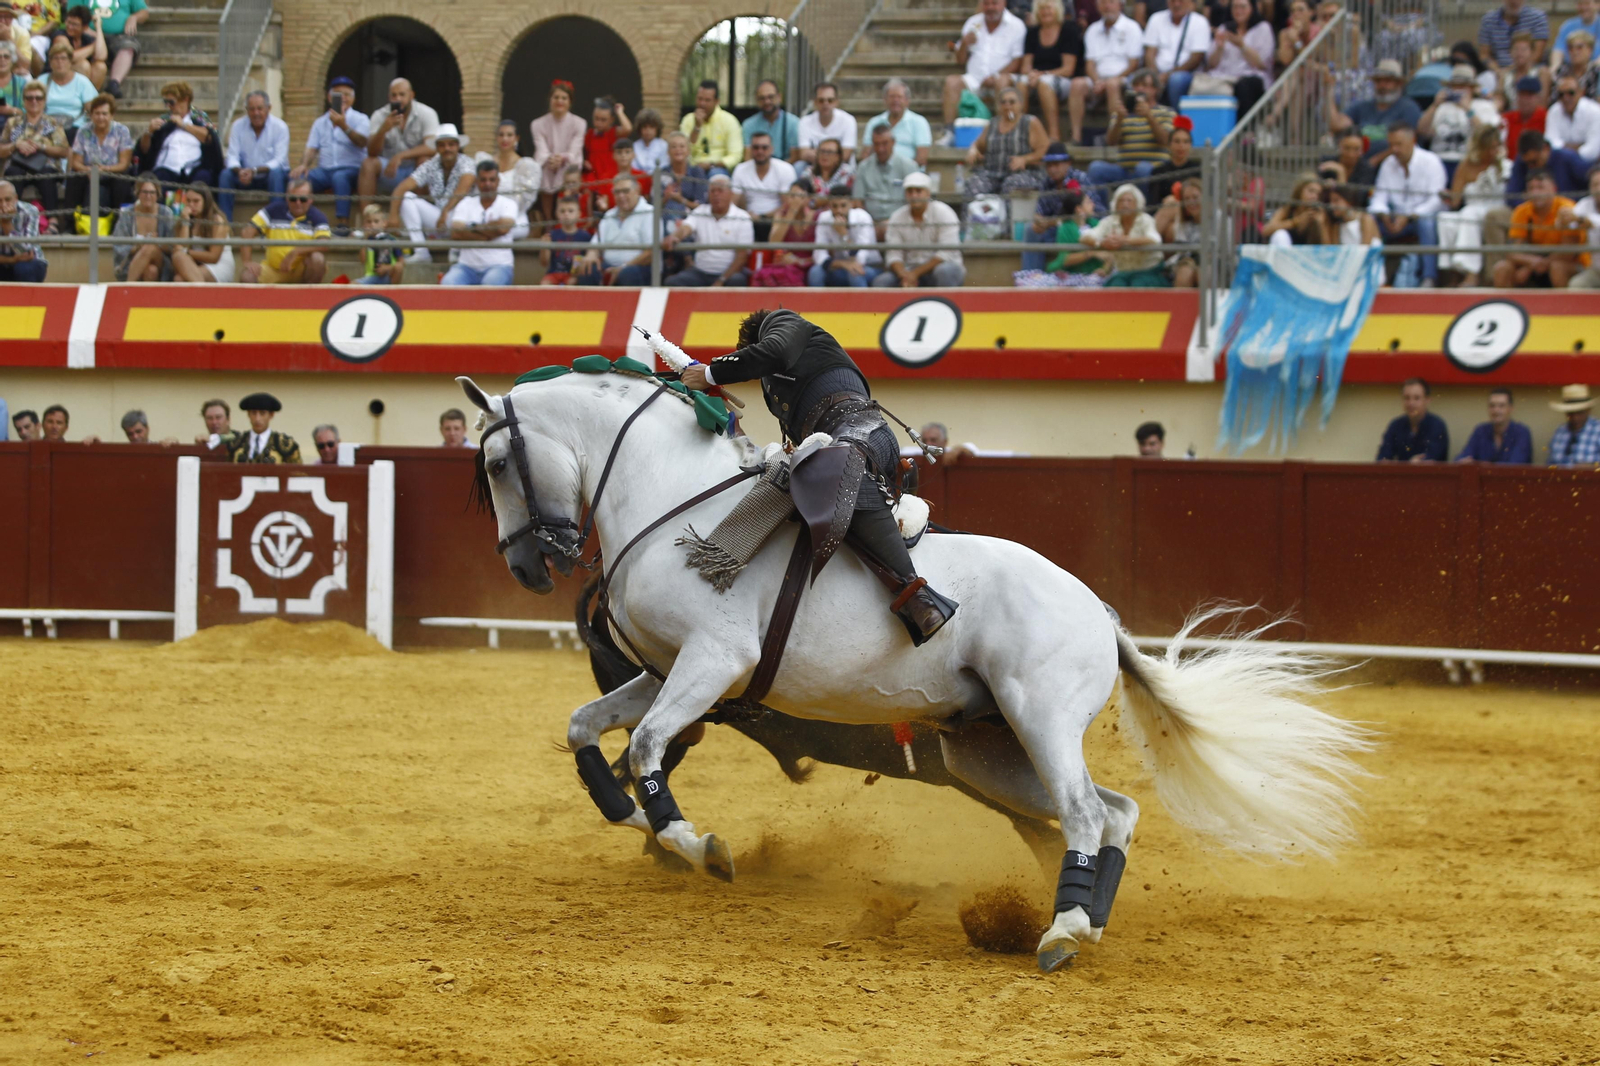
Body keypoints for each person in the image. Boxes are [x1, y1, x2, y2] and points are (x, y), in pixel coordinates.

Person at [680, 309, 958, 644]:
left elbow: (773, 352)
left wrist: (710, 373)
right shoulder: (783, 377)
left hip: (862, 431)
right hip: (837, 439)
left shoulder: (785, 323)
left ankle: (918, 596)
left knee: (836, 467)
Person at [1369, 122, 1448, 287]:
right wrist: (1384, 215)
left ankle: (1429, 278)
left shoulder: (1431, 162)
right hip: (1394, 219)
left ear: (1412, 141)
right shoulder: (1388, 164)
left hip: (1421, 217)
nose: (1395, 150)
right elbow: (1379, 198)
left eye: (1399, 144)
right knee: (1369, 221)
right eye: (1391, 145)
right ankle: (1373, 275)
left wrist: (1411, 215)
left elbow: (1437, 200)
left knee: (1426, 222)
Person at [388, 123, 473, 265]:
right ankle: (421, 252)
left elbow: (462, 190)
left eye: (451, 144)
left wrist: (445, 211)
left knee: (466, 202)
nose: (447, 149)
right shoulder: (431, 165)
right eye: (442, 145)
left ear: (458, 146)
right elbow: (402, 188)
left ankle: (456, 251)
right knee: (407, 197)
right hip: (440, 219)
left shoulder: (467, 163)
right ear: (437, 148)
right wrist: (393, 215)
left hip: (458, 220)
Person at [941, 0, 1026, 137]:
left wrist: (996, 76)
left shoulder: (1016, 25)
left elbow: (1017, 61)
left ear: (1004, 3)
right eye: (986, 3)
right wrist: (964, 44)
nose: (990, 7)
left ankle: (1003, 132)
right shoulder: (972, 23)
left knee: (1002, 81)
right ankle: (950, 132)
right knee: (951, 82)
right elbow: (960, 60)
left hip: (1002, 77)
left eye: (994, 3)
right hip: (975, 78)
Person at [292, 76, 367, 229]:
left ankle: (342, 223)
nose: (343, 98)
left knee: (340, 177)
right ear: (329, 97)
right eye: (338, 94)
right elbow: (312, 147)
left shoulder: (360, 119)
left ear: (353, 98)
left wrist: (344, 126)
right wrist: (304, 165)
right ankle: (298, 220)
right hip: (325, 170)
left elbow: (363, 142)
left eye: (347, 95)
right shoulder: (320, 122)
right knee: (300, 179)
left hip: (351, 169)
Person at [1491, 168, 1588, 287]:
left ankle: (1564, 305)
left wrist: (1532, 267)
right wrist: (1531, 263)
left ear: (1553, 189)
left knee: (1557, 267)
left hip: (1562, 262)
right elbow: (1512, 251)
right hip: (1533, 259)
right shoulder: (1521, 211)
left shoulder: (1567, 209)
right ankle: (1504, 304)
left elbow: (1568, 252)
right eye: (1531, 188)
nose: (1535, 193)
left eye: (1540, 187)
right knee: (1502, 268)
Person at [1437, 124, 1507, 284]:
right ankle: (1450, 273)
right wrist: (1447, 196)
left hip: (1495, 210)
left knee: (1470, 213)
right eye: (1488, 148)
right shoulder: (1465, 166)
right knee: (1445, 219)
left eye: (1496, 147)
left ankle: (1471, 272)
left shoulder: (1504, 165)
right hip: (1472, 207)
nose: (1492, 152)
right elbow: (1455, 200)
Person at [358, 78, 438, 214]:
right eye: (394, 95)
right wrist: (383, 130)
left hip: (414, 170)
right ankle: (367, 217)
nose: (398, 99)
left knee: (425, 160)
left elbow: (432, 147)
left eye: (402, 94)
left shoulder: (427, 113)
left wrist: (400, 156)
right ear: (389, 97)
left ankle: (421, 215)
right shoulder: (380, 115)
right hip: (390, 172)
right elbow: (372, 152)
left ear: (411, 95)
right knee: (368, 164)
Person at [1069, 0, 1144, 146]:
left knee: (1112, 85)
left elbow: (1134, 64)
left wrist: (1111, 80)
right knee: (1077, 84)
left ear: (1120, 4)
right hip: (1098, 78)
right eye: (1103, 2)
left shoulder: (1132, 27)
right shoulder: (1092, 29)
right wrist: (1097, 81)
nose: (1107, 6)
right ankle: (1076, 137)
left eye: (1111, 2)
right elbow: (1090, 64)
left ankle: (1113, 137)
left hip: (1124, 78)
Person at [874, 172, 965, 287]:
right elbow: (893, 255)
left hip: (938, 269)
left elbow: (946, 254)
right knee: (882, 281)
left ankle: (947, 304)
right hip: (909, 271)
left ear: (928, 193)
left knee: (945, 271)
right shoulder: (897, 217)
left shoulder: (944, 213)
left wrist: (914, 274)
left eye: (918, 191)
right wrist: (904, 275)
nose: (914, 195)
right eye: (910, 191)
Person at [1087, 67, 1174, 189]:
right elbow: (1110, 142)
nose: (1139, 89)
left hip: (1152, 170)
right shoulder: (1122, 113)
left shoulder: (1167, 112)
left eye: (1144, 85)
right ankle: (1100, 208)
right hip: (1124, 170)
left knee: (1142, 168)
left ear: (1155, 89)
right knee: (1096, 168)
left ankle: (1146, 207)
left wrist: (1149, 116)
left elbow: (1166, 140)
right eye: (1136, 85)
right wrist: (1119, 120)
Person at [662, 173, 753, 286]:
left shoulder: (742, 218)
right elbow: (686, 228)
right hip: (700, 272)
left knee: (737, 280)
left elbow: (742, 256)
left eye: (720, 191)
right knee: (672, 282)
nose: (716, 195)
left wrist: (721, 281)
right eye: (712, 191)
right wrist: (675, 236)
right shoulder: (700, 211)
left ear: (730, 194)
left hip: (728, 274)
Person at [1324, 60, 1422, 160]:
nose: (1382, 86)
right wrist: (1329, 90)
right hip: (1360, 165)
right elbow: (1336, 125)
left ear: (1398, 84)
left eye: (1387, 81)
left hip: (1393, 165)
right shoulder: (1363, 106)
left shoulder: (1409, 108)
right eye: (1378, 81)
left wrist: (1374, 162)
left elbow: (1407, 143)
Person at [441, 159, 517, 288]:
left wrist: (471, 229)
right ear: (477, 182)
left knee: (489, 287)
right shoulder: (466, 203)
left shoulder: (508, 204)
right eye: (483, 180)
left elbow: (502, 229)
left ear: (498, 181)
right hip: (466, 267)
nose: (487, 184)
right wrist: (488, 234)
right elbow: (455, 233)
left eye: (492, 180)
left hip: (499, 266)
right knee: (447, 283)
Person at [238, 177, 328, 285]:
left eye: (303, 199)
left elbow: (325, 243)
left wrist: (296, 251)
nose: (298, 203)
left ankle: (308, 299)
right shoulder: (273, 210)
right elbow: (247, 232)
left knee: (318, 259)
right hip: (273, 270)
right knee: (247, 276)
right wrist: (247, 261)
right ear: (286, 197)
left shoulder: (318, 216)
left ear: (311, 199)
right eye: (293, 199)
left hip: (301, 271)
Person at [961, 84, 1046, 198]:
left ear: (1020, 104)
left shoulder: (1030, 122)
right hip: (992, 173)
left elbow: (1044, 149)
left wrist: (1025, 159)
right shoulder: (992, 124)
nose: (1007, 106)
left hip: (1022, 173)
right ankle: (975, 216)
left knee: (1012, 185)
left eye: (1012, 102)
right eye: (1003, 102)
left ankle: (1010, 216)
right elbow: (977, 144)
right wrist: (973, 150)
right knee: (974, 185)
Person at [1018, 0, 1084, 143]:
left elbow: (1068, 69)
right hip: (1036, 77)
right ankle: (1020, 132)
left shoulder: (1068, 30)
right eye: (1041, 9)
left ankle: (1054, 135)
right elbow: (1025, 66)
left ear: (1057, 10)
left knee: (1044, 84)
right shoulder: (1032, 32)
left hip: (1063, 79)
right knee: (1021, 84)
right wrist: (1031, 75)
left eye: (1048, 8)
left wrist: (1042, 75)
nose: (1045, 12)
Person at [218, 90, 288, 221]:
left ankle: (276, 223)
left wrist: (254, 171)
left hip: (269, 176)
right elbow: (232, 156)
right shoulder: (237, 126)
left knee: (277, 174)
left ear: (269, 108)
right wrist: (240, 171)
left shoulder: (280, 127)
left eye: (260, 109)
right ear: (246, 110)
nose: (256, 113)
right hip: (245, 176)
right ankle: (224, 226)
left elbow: (279, 160)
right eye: (252, 109)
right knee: (225, 175)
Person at [1, 79, 67, 214]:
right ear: (24, 101)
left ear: (44, 101)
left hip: (45, 166)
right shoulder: (12, 122)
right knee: (14, 172)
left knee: (46, 174)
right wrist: (16, 145)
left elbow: (64, 151)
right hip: (18, 165)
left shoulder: (53, 122)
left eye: (38, 98)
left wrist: (41, 147)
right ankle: (10, 215)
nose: (34, 101)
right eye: (29, 98)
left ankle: (53, 218)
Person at [1081, 181, 1165, 285]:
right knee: (1115, 286)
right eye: (1121, 201)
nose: (1125, 204)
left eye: (1129, 201)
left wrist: (1124, 240)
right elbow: (1085, 236)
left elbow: (1155, 239)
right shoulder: (1110, 221)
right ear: (1115, 204)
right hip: (1122, 272)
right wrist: (1101, 243)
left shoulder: (1145, 220)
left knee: (1138, 285)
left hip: (1148, 271)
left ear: (1137, 204)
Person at [577, 174, 653, 286]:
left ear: (637, 190)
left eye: (626, 191)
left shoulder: (649, 213)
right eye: (617, 192)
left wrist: (623, 268)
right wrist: (590, 256)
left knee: (627, 274)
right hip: (609, 266)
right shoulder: (610, 214)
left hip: (639, 268)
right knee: (587, 269)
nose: (621, 196)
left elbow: (651, 253)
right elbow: (595, 245)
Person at [1419, 65, 1501, 168]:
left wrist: (1468, 110)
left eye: (1463, 86)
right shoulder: (1441, 107)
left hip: (1469, 161)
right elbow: (1422, 131)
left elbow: (1487, 136)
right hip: (1439, 160)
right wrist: (1434, 105)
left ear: (1472, 88)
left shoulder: (1483, 106)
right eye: (1455, 86)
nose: (1458, 89)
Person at [140, 80, 219, 189]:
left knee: (203, 176)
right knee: (158, 177)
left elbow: (209, 137)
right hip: (167, 169)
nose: (168, 106)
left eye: (171, 102)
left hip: (194, 168)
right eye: (165, 102)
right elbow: (144, 150)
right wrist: (148, 132)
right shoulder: (164, 120)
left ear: (185, 100)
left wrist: (183, 125)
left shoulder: (199, 117)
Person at [1202, 0, 1272, 117]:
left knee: (1243, 86)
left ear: (1252, 8)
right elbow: (1211, 64)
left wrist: (1242, 45)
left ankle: (1246, 131)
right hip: (1224, 77)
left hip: (1252, 78)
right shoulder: (1224, 28)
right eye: (1235, 7)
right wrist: (1219, 47)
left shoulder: (1263, 28)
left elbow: (1262, 64)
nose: (1238, 11)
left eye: (1243, 7)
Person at [531, 79, 587, 221]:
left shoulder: (579, 123)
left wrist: (561, 158)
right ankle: (549, 220)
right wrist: (552, 159)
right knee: (544, 170)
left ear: (570, 102)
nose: (559, 101)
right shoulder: (537, 124)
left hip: (570, 162)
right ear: (550, 100)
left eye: (564, 98)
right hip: (548, 162)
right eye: (556, 97)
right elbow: (541, 149)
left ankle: (566, 219)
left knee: (568, 170)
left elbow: (574, 150)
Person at [62, 90, 126, 211]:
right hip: (88, 172)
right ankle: (70, 220)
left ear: (111, 115)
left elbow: (124, 163)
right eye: (97, 113)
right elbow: (76, 162)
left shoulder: (122, 131)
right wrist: (90, 171)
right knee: (74, 178)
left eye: (104, 113)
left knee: (123, 179)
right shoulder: (83, 131)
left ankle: (119, 218)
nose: (100, 117)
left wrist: (105, 169)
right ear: (91, 115)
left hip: (113, 172)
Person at [810, 183, 881, 287]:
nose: (839, 211)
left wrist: (844, 235)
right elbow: (819, 255)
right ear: (829, 205)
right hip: (840, 266)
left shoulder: (863, 218)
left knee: (854, 272)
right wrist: (843, 264)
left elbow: (859, 260)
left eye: (843, 206)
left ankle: (861, 303)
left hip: (870, 267)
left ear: (851, 204)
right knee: (815, 272)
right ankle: (817, 303)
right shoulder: (824, 218)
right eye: (834, 206)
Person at [1144, 0, 1211, 106]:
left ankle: (1176, 118)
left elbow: (1196, 58)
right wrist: (1155, 75)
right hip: (1157, 72)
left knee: (1176, 80)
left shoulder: (1200, 22)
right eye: (1173, 1)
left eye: (1181, 1)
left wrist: (1168, 75)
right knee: (1136, 80)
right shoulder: (1156, 18)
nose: (1176, 4)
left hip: (1187, 73)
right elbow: (1149, 53)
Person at [750, 178, 815, 287]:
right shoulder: (781, 215)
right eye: (792, 196)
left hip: (809, 264)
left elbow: (823, 252)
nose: (795, 200)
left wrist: (799, 261)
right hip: (786, 264)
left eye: (800, 196)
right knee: (763, 275)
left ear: (809, 199)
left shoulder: (817, 216)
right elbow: (773, 242)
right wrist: (791, 213)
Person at [855, 122, 919, 231]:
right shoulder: (863, 167)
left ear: (893, 142)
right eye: (876, 144)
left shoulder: (909, 166)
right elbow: (857, 201)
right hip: (870, 224)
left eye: (885, 143)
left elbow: (916, 199)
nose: (880, 149)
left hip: (902, 223)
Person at [110, 171, 171, 280]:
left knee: (150, 247)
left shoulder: (166, 213)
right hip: (131, 263)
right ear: (137, 193)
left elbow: (174, 245)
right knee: (151, 271)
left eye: (152, 192)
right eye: (144, 192)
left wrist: (157, 243)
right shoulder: (128, 214)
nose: (148, 196)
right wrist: (138, 246)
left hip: (162, 263)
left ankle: (128, 288)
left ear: (158, 194)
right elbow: (119, 246)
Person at [170, 180, 233, 283]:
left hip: (218, 266)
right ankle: (201, 293)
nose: (191, 205)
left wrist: (186, 252)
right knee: (178, 277)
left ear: (205, 201)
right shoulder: (186, 218)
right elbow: (179, 248)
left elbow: (214, 257)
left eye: (196, 201)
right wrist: (186, 222)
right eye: (188, 201)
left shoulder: (217, 220)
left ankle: (202, 293)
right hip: (197, 264)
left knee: (180, 259)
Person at [730, 130, 797, 226]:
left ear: (772, 149)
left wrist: (763, 217)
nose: (760, 151)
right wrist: (745, 215)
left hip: (777, 221)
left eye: (764, 148)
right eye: (756, 148)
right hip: (746, 220)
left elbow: (787, 205)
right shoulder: (740, 169)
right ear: (750, 150)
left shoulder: (785, 169)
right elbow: (734, 203)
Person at [861, 78, 931, 168]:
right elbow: (866, 154)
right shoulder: (874, 122)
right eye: (892, 97)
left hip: (909, 174)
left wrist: (902, 172)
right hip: (879, 172)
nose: (895, 100)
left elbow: (922, 157)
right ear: (885, 100)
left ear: (907, 100)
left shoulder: (919, 122)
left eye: (899, 97)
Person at [679, 79, 742, 176]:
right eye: (700, 99)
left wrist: (712, 164)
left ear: (717, 101)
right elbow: (684, 152)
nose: (702, 104)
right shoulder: (688, 120)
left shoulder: (729, 121)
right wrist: (696, 127)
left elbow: (735, 155)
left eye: (707, 100)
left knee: (715, 175)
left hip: (718, 168)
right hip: (693, 168)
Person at [1376, 377, 1448, 461]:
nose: (1411, 403)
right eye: (1407, 398)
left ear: (1427, 400)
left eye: (1416, 398)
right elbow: (1383, 458)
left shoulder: (1437, 426)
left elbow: (1431, 459)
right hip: (1400, 474)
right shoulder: (1396, 425)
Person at [1455, 388, 1532, 463]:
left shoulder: (1521, 433)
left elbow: (1515, 465)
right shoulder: (1481, 431)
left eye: (1501, 406)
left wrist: (1480, 465)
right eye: (1492, 406)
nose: (1496, 410)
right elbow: (1462, 458)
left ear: (1510, 408)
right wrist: (1464, 461)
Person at [226, 392, 301, 464]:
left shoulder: (285, 444)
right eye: (253, 413)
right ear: (248, 414)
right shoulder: (236, 443)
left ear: (271, 415)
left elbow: (298, 473)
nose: (257, 419)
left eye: (262, 413)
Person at [1479, 0, 1549, 73]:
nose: (1514, 1)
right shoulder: (1488, 20)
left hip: (1528, 69)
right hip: (1497, 71)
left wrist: (1512, 72)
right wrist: (1498, 71)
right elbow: (1484, 55)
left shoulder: (1538, 18)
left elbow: (1538, 54)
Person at [797, 82, 856, 167]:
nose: (826, 104)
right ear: (815, 102)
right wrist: (832, 155)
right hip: (814, 166)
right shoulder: (805, 122)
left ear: (836, 102)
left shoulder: (848, 120)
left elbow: (846, 155)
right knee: (799, 166)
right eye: (821, 100)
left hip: (840, 166)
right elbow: (804, 154)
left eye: (830, 100)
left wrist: (821, 156)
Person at [1154, 178, 1200, 285]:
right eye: (1187, 198)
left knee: (1203, 271)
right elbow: (1182, 251)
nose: (1191, 202)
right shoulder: (1182, 222)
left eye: (1195, 197)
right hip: (1186, 261)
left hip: (1213, 263)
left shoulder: (1219, 218)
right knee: (1185, 271)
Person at [583, 94, 631, 197]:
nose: (599, 123)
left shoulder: (612, 133)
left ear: (611, 120)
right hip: (594, 176)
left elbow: (627, 128)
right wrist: (585, 162)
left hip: (610, 176)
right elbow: (585, 152)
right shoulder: (590, 134)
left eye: (603, 120)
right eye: (596, 119)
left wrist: (620, 112)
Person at [1262, 175, 1330, 246]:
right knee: (1280, 235)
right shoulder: (1288, 209)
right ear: (1300, 190)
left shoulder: (1319, 214)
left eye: (1318, 194)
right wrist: (1296, 222)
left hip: (1308, 254)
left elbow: (1327, 248)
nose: (1314, 196)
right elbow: (1266, 230)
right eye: (1311, 191)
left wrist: (1321, 224)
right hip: (1286, 252)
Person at [1036, 139, 1102, 211]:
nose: (1052, 169)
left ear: (1068, 163)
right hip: (1055, 222)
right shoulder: (1046, 184)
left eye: (1056, 164)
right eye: (1049, 165)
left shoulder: (1080, 178)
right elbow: (1039, 212)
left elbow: (1096, 209)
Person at [742, 79, 800, 162]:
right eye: (762, 98)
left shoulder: (793, 123)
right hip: (758, 169)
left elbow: (795, 157)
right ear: (757, 100)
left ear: (779, 97)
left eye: (770, 97)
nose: (767, 101)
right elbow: (747, 157)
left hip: (785, 168)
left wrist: (776, 171)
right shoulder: (748, 125)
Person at [659, 130, 708, 227]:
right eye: (673, 147)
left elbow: (702, 207)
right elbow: (655, 206)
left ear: (688, 151)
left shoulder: (697, 172)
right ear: (668, 152)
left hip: (693, 219)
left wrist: (681, 200)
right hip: (666, 216)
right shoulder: (662, 173)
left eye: (682, 146)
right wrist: (666, 197)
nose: (678, 150)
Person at [539, 194, 591, 284]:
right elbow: (544, 263)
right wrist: (544, 248)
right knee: (545, 284)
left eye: (570, 211)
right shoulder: (552, 235)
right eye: (562, 211)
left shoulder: (585, 236)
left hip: (573, 274)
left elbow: (584, 259)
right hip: (553, 273)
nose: (566, 214)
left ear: (579, 214)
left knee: (572, 283)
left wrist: (574, 275)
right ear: (557, 214)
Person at [0, 176, 44, 280]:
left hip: (31, 262)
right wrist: (12, 260)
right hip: (4, 261)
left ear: (16, 198)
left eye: (7, 199)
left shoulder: (29, 211)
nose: (3, 205)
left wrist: (7, 224)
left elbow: (26, 252)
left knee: (24, 269)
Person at [48, 6, 104, 88]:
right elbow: (69, 57)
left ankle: (91, 97)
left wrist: (98, 28)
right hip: (55, 74)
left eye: (74, 24)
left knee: (100, 66)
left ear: (85, 27)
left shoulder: (86, 38)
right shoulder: (60, 35)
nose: (70, 27)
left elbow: (101, 56)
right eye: (68, 22)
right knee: (83, 65)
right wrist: (93, 47)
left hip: (75, 76)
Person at [1547, 74, 1600, 160]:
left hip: (1589, 162)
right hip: (1561, 161)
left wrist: (1565, 147)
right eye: (1561, 94)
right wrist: (1578, 146)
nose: (1565, 98)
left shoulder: (1595, 111)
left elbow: (1593, 150)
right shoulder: (1554, 111)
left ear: (1581, 93)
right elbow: (1550, 143)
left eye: (1570, 93)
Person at [41, 38, 90, 130]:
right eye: (56, 59)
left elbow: (93, 108)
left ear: (70, 61)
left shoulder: (82, 82)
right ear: (50, 62)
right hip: (47, 127)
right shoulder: (42, 80)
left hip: (75, 127)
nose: (60, 62)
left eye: (63, 58)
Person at [1547, 383, 1600, 464]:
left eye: (1580, 412)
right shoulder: (1560, 432)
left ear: (1588, 410)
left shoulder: (1598, 430)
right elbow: (1550, 464)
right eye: (1571, 413)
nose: (1575, 417)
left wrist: (1591, 468)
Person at [1567, 164, 1600, 287]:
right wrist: (1562, 218)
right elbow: (1570, 222)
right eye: (1595, 185)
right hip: (1597, 271)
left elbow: (1592, 222)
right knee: (1577, 285)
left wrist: (1585, 220)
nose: (1598, 189)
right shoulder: (1586, 203)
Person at [353, 202, 401, 285]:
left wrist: (387, 268)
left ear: (384, 223)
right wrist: (366, 240)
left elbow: (401, 262)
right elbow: (362, 261)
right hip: (371, 277)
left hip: (388, 276)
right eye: (369, 222)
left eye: (376, 221)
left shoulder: (391, 240)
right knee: (352, 284)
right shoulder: (367, 240)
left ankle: (392, 290)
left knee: (398, 267)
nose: (372, 225)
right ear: (365, 224)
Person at [1552, 30, 1600, 102]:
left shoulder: (1596, 72)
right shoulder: (1562, 71)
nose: (1574, 52)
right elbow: (1554, 98)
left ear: (1590, 50)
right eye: (1571, 48)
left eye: (1579, 47)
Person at [805, 137, 852, 207]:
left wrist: (815, 202)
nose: (825, 155)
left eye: (829, 152)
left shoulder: (846, 172)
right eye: (822, 151)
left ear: (838, 156)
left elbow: (839, 197)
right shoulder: (808, 172)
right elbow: (801, 196)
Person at [630, 107, 669, 175]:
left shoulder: (664, 146)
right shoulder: (634, 146)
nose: (648, 130)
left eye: (651, 127)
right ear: (639, 129)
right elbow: (633, 166)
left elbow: (664, 165)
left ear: (657, 128)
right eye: (645, 127)